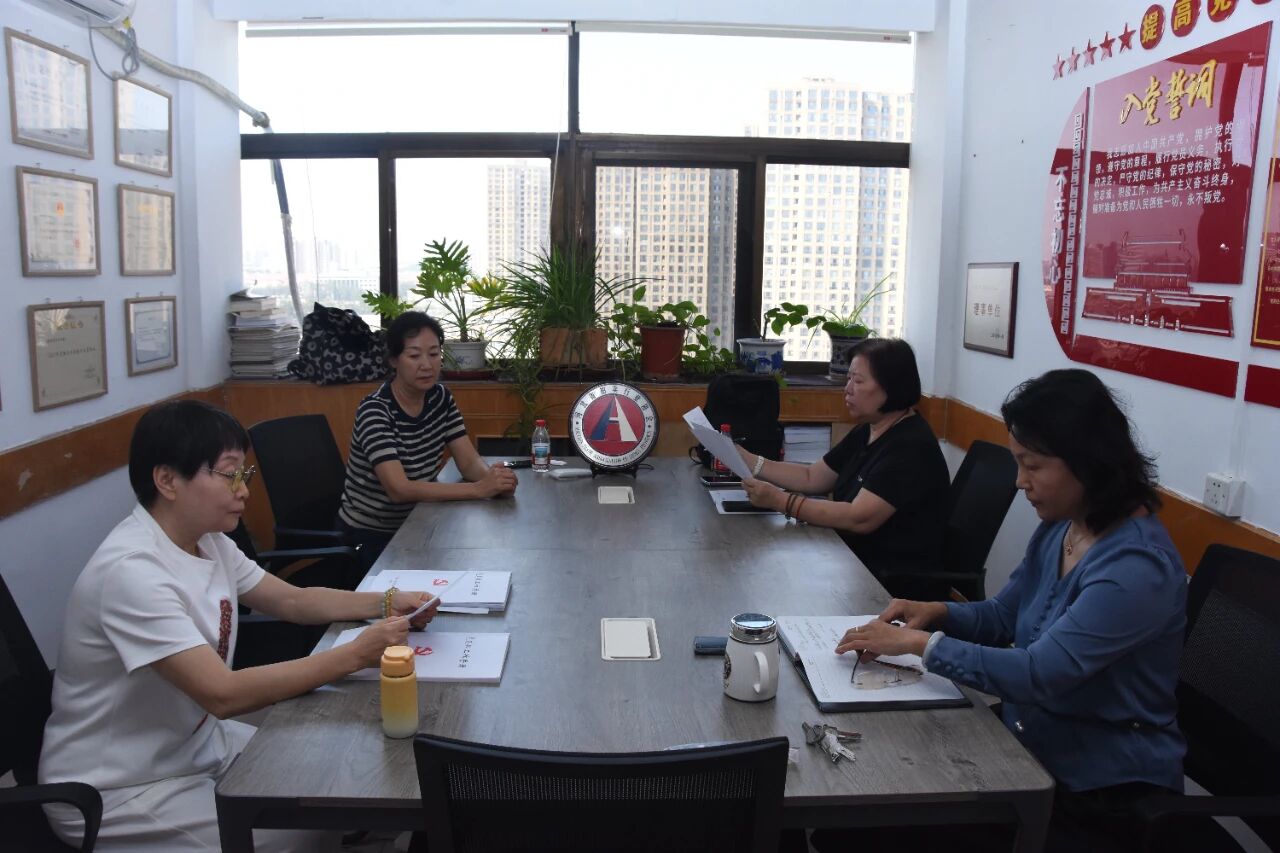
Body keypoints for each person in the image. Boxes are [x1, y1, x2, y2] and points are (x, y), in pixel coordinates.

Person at [39, 400, 440, 852]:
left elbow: (292, 599)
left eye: (243, 474)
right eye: (230, 474)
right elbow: (223, 695)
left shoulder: (208, 541)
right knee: (303, 826)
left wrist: (387, 601)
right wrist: (354, 655)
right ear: (167, 480)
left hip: (194, 744)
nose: (244, 490)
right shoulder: (131, 573)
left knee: (335, 778)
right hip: (121, 787)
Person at [833, 369, 1187, 852]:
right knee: (862, 805)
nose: (1020, 482)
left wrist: (920, 644)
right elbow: (1003, 617)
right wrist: (936, 612)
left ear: (1088, 462)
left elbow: (1038, 674)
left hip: (1100, 793)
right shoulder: (1064, 525)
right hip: (1027, 744)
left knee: (870, 829)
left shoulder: (1136, 568)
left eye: (1032, 465)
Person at [737, 338, 950, 589]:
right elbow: (811, 477)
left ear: (892, 386)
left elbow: (858, 518)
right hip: (850, 560)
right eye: (848, 379)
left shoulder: (911, 446)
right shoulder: (870, 428)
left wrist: (779, 501)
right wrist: (748, 460)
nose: (847, 389)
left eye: (858, 381)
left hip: (889, 582)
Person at [337, 312, 517, 568]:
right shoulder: (375, 410)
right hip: (371, 537)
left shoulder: (440, 398)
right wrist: (479, 489)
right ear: (393, 360)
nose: (427, 365)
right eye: (414, 356)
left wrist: (494, 481)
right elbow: (399, 490)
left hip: (421, 520)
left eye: (433, 354)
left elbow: (468, 462)